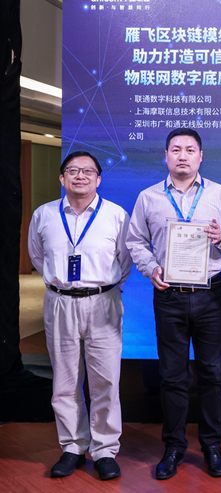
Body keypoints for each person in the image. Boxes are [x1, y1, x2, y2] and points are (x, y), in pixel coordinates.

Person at [126, 128, 221, 479]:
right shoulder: (148, 197)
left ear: (201, 156)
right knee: (172, 376)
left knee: (212, 373)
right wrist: (150, 268)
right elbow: (135, 241)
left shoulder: (219, 193)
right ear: (166, 156)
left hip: (211, 294)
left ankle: (212, 445)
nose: (183, 155)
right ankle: (174, 446)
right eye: (176, 149)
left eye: (190, 150)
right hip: (169, 295)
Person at [28, 151, 131, 481]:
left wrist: (101, 287)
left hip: (103, 301)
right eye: (72, 171)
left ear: (99, 179)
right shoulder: (44, 215)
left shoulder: (116, 215)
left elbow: (125, 261)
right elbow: (37, 256)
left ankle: (104, 450)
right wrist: (62, 283)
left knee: (106, 379)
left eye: (88, 171)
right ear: (62, 178)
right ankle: (72, 446)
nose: (80, 176)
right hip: (60, 303)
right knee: (65, 380)